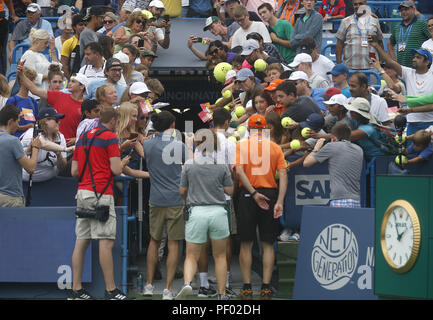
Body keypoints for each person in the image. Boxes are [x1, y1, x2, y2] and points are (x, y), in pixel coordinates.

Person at [69, 106, 131, 300]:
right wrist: (123, 162)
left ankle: (76, 290)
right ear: (113, 121)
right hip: (101, 193)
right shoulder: (110, 137)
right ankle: (111, 290)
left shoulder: (83, 137)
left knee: (81, 242)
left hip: (83, 193)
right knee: (106, 242)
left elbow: (74, 172)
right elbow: (115, 169)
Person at [234, 113, 288, 300]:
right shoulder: (275, 148)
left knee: (246, 244)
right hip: (271, 194)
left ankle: (247, 289)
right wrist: (280, 201)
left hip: (249, 195)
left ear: (248, 129)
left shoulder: (241, 145)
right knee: (267, 244)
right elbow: (283, 175)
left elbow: (239, 172)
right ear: (265, 129)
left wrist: (254, 194)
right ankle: (265, 288)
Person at [176, 129, 234, 301]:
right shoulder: (221, 165)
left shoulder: (189, 164)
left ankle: (187, 283)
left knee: (191, 255)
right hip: (218, 212)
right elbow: (230, 190)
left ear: (196, 144)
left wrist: (188, 197)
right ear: (215, 144)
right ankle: (222, 294)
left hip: (197, 212)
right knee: (220, 256)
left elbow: (181, 191)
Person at [141, 110, 192, 300]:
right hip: (176, 200)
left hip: (155, 199)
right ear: (172, 125)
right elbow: (191, 166)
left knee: (154, 241)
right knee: (173, 244)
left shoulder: (147, 144)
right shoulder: (179, 145)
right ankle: (168, 289)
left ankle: (148, 285)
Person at [17, 63, 88, 145]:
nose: (69, 83)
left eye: (73, 81)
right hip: (53, 143)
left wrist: (77, 139)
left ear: (82, 86)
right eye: (70, 81)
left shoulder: (87, 105)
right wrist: (21, 75)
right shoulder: (59, 96)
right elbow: (34, 90)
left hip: (73, 146)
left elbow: (91, 127)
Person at [370, 41, 433, 133]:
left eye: (418, 57)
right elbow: (390, 62)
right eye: (414, 57)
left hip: (430, 123)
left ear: (427, 62)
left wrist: (409, 107)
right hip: (412, 123)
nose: (414, 59)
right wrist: (376, 46)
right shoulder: (408, 73)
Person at [304, 122, 363, 208]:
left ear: (334, 138)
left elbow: (306, 163)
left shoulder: (331, 147)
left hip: (339, 200)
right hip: (356, 201)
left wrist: (316, 148)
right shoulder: (359, 150)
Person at [0, 104, 41, 207]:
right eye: (18, 121)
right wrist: (36, 148)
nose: (18, 126)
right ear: (10, 122)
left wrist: (26, 152)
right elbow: (30, 168)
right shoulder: (13, 141)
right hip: (10, 199)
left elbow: (7, 156)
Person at [21, 108, 69, 182]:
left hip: (50, 181)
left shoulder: (60, 137)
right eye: (56, 120)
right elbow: (43, 143)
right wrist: (63, 149)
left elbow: (62, 167)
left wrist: (58, 154)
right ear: (45, 121)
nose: (59, 123)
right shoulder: (31, 133)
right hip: (26, 182)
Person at [335, 0, 384, 70]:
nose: (358, 6)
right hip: (350, 68)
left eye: (361, 4)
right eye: (355, 4)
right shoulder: (345, 21)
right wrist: (339, 65)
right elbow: (339, 45)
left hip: (371, 68)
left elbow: (380, 42)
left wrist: (381, 61)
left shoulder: (374, 21)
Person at [21, 29, 61, 97]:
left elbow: (56, 68)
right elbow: (30, 77)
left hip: (44, 93)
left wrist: (53, 50)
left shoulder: (41, 55)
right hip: (34, 95)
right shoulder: (28, 55)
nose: (47, 45)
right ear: (37, 40)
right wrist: (51, 76)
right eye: (45, 43)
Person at [389, 1, 430, 68]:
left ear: (413, 10)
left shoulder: (422, 24)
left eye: (406, 9)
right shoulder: (397, 27)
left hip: (419, 69)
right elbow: (390, 44)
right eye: (401, 10)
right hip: (402, 70)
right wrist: (394, 61)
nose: (403, 12)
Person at [343, 97, 386, 161]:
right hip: (368, 158)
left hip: (377, 160)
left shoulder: (367, 129)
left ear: (360, 114)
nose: (350, 112)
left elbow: (344, 136)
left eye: (353, 111)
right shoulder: (358, 122)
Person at [6, 67, 39, 138]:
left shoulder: (33, 101)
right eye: (30, 80)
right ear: (21, 81)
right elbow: (7, 125)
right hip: (17, 138)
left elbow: (36, 122)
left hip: (31, 138)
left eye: (34, 80)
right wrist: (28, 127)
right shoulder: (12, 100)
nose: (33, 83)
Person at [61, 13, 87, 80]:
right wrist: (71, 80)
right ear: (74, 27)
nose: (83, 27)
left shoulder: (91, 42)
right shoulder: (68, 43)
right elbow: (64, 65)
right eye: (81, 25)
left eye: (85, 25)